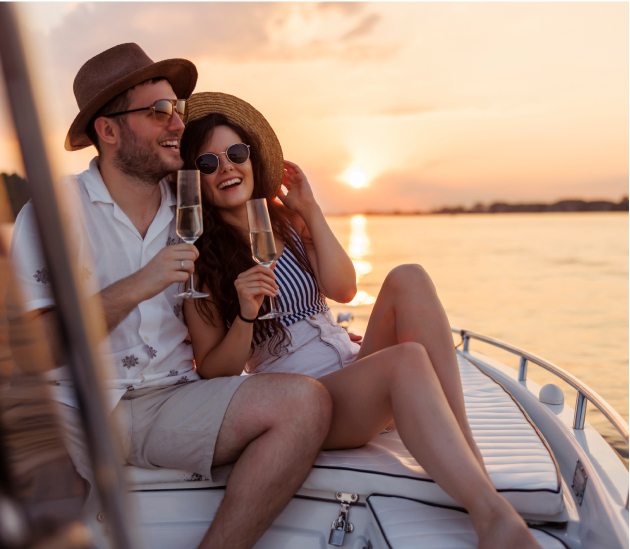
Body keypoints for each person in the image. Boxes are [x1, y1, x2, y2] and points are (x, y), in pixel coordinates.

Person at [180, 91, 544, 549]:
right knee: (407, 360)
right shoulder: (201, 262)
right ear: (196, 181)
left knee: (409, 276)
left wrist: (309, 209)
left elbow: (344, 289)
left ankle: (474, 468)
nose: (227, 167)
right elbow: (215, 370)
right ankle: (493, 518)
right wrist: (246, 314)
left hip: (351, 369)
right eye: (208, 163)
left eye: (235, 153)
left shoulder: (286, 224)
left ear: (252, 159)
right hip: (311, 402)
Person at [8, 44, 333, 549]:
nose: (177, 123)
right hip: (75, 407)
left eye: (176, 110)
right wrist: (139, 284)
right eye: (159, 112)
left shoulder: (191, 207)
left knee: (305, 404)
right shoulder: (57, 212)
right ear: (108, 130)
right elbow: (36, 350)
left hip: (173, 399)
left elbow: (261, 267)